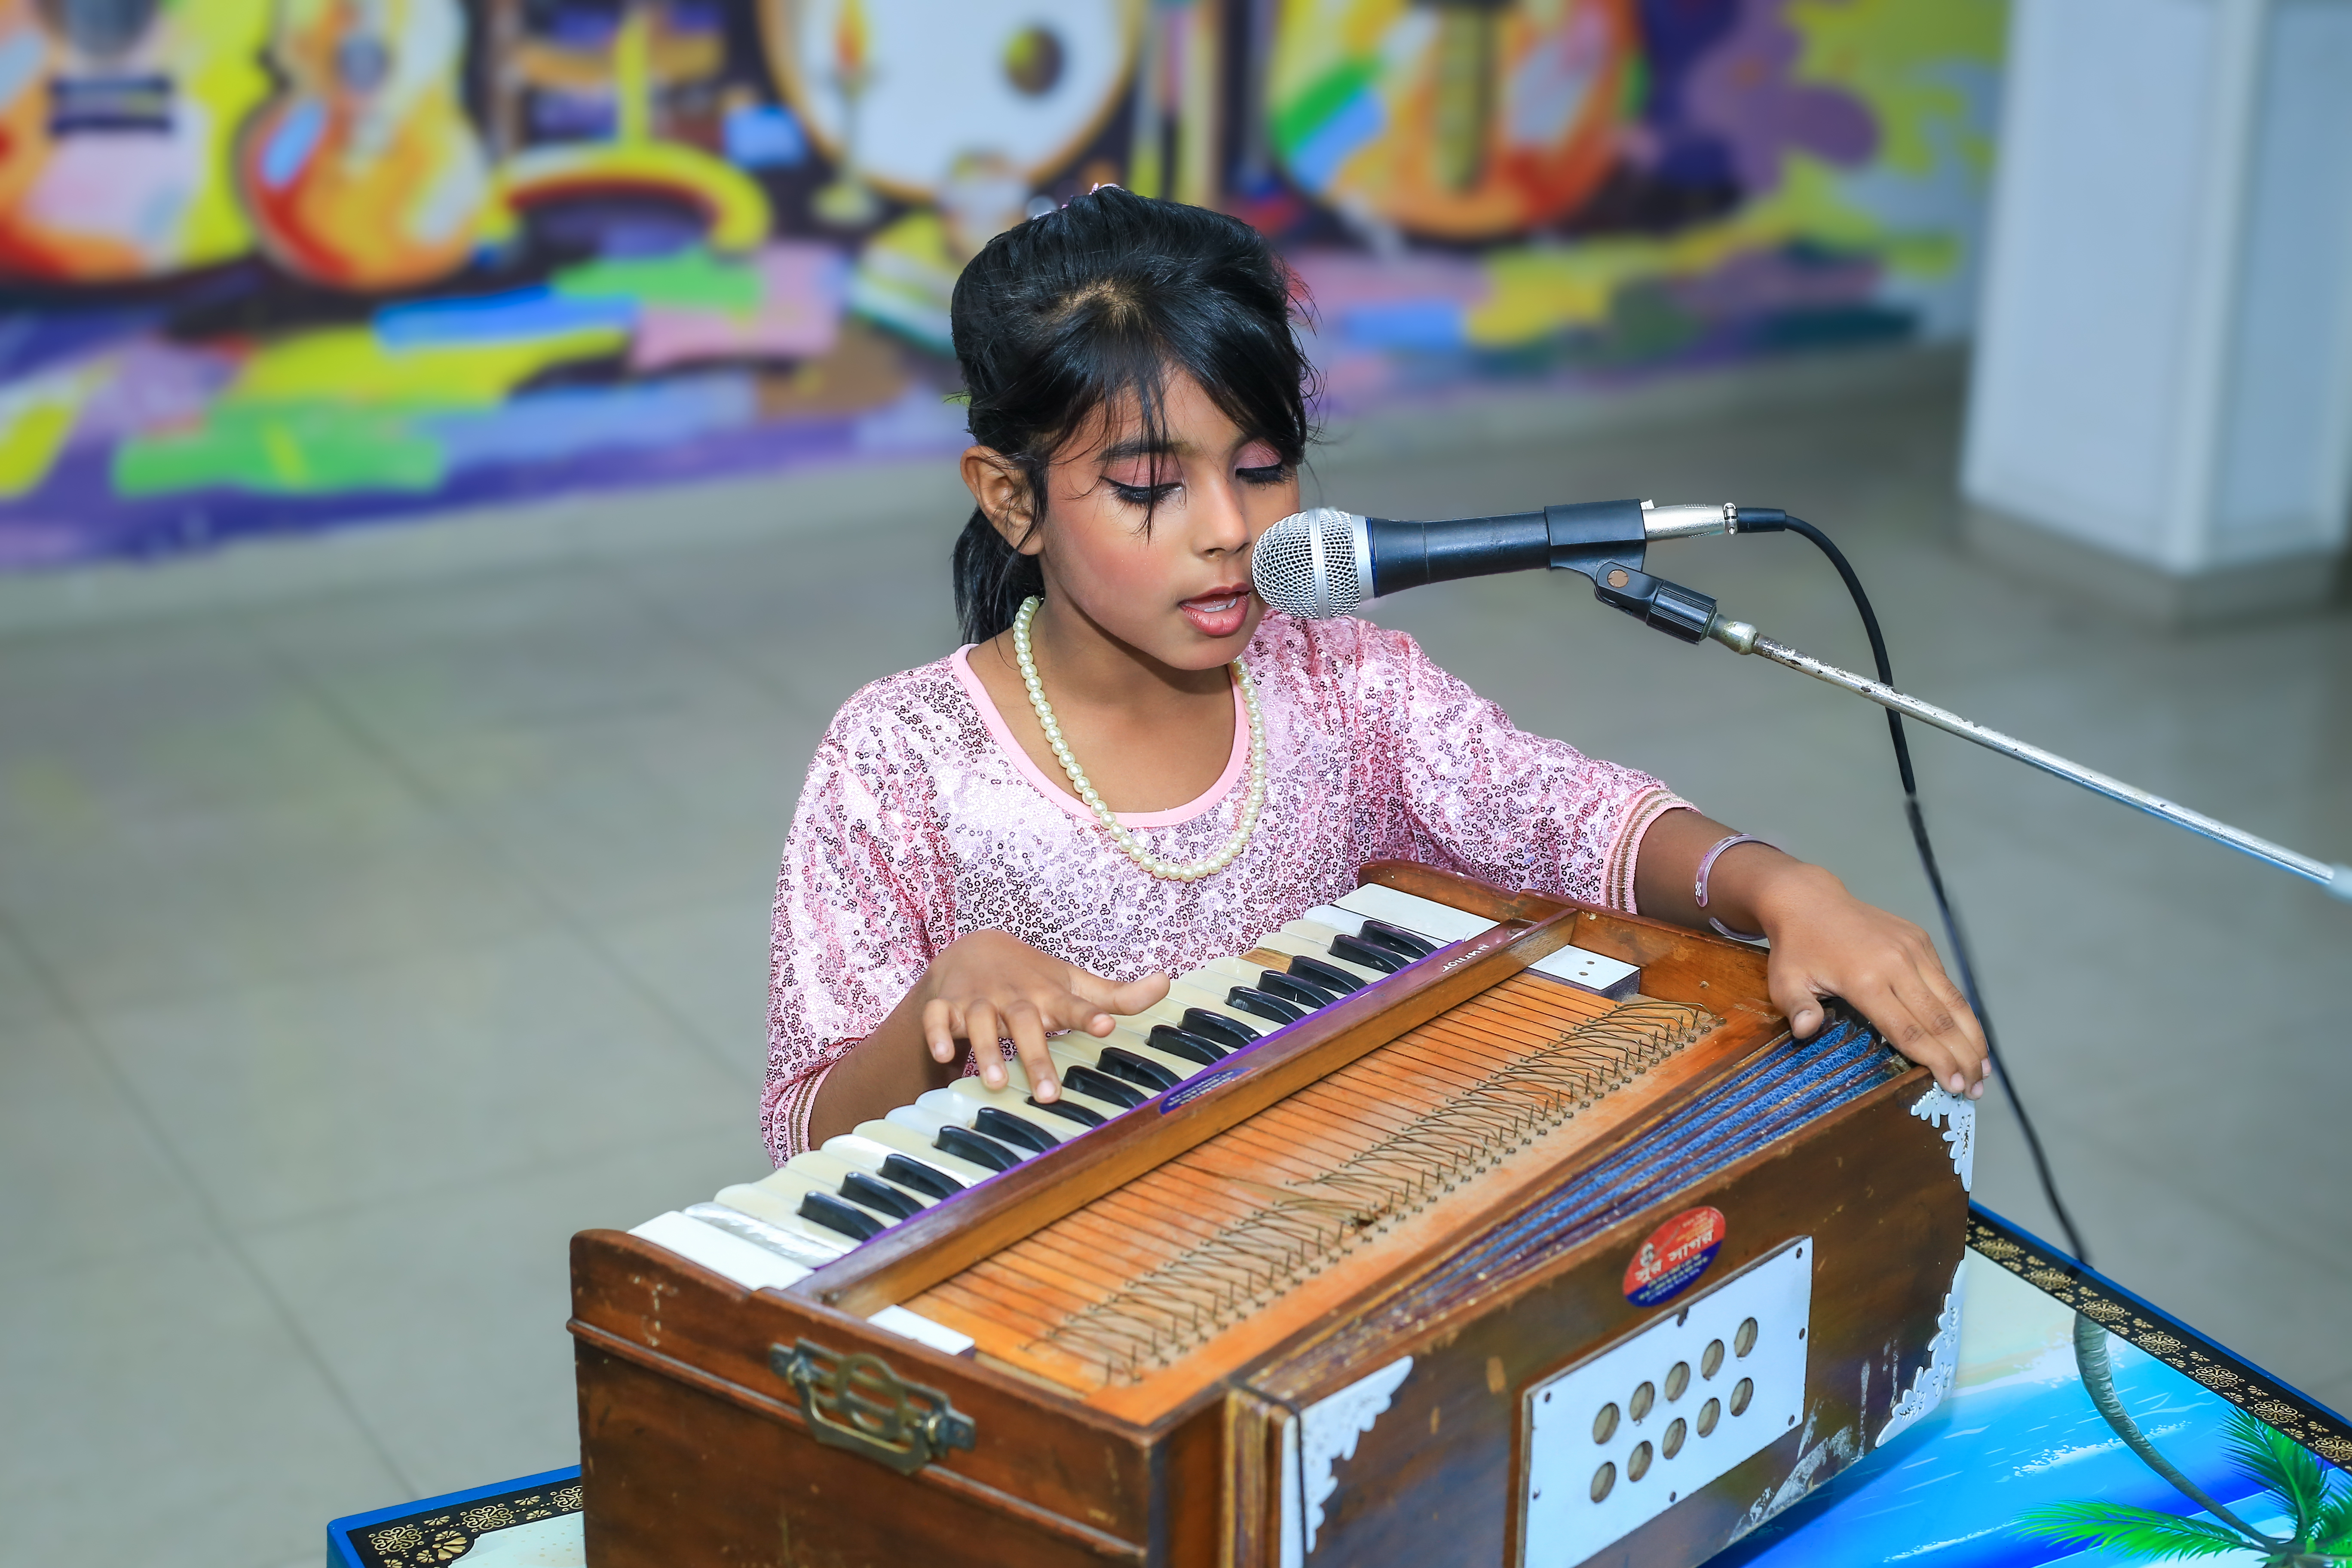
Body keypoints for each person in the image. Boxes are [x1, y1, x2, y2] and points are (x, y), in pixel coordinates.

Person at [761, 187, 1987, 1164]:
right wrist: (937, 1009)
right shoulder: (904, 756)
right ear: (1014, 498)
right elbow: (803, 1126)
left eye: (1262, 467)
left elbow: (1553, 810)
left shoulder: (1337, 681)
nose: (1226, 528)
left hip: (1334, 1209)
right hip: (1051, 1283)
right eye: (1147, 488)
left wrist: (1785, 888)